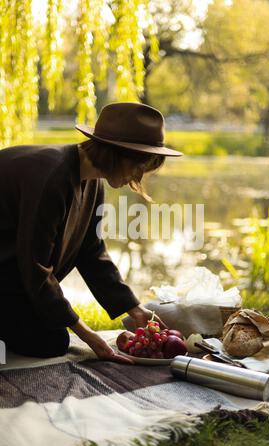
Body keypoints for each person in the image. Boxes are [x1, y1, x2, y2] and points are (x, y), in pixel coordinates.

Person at [0, 102, 183, 363]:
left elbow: (91, 250)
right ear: (117, 153)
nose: (139, 177)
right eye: (140, 166)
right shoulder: (50, 177)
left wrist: (133, 308)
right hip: (10, 271)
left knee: (49, 339)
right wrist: (87, 334)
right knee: (49, 341)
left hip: (13, 275)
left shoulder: (93, 180)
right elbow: (35, 265)